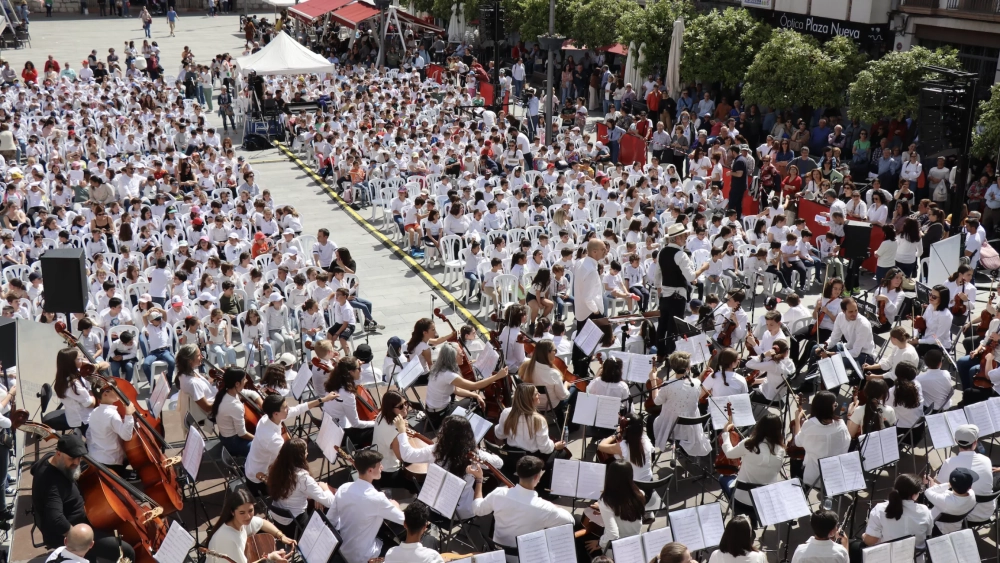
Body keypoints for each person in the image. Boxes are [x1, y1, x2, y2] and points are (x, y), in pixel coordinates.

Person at [31, 435, 138, 563]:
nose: (76, 463)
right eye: (72, 458)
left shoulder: (49, 458)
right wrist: (78, 539)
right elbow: (56, 519)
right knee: (126, 551)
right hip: (71, 533)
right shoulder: (52, 485)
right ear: (58, 453)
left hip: (84, 519)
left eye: (79, 458)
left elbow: (34, 469)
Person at [392, 414, 503, 520]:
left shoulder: (435, 450)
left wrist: (402, 431)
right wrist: (480, 453)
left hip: (435, 507)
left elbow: (407, 455)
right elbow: (499, 463)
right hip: (462, 512)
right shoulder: (474, 456)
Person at [245, 391, 337, 498]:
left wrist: (323, 399)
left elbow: (298, 409)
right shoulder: (273, 440)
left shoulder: (266, 418)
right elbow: (289, 463)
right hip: (259, 480)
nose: (288, 408)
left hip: (255, 467)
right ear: (276, 413)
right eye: (285, 407)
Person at [472, 455, 574, 548]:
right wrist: (553, 506)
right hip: (526, 557)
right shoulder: (545, 508)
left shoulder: (499, 493)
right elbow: (570, 521)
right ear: (536, 477)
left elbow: (477, 509)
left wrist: (479, 480)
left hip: (498, 550)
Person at [326, 449, 405, 563]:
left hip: (344, 551)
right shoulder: (378, 498)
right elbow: (404, 520)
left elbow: (330, 521)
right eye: (379, 465)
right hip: (364, 556)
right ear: (370, 470)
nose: (382, 467)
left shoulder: (343, 488)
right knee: (399, 551)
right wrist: (395, 505)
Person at [717, 413, 785, 526]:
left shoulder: (749, 443)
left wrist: (725, 434)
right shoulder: (781, 450)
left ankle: (739, 515)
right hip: (764, 501)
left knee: (723, 478)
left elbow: (729, 453)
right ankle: (752, 520)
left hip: (741, 500)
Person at [206, 487, 295, 563]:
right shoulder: (228, 539)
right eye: (242, 512)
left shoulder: (240, 522)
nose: (248, 516)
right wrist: (270, 557)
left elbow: (263, 523)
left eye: (250, 510)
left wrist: (281, 535)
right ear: (232, 512)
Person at [266, 438, 334, 535]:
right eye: (306, 451)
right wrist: (325, 487)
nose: (307, 453)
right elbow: (330, 502)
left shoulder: (278, 469)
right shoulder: (303, 478)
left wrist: (316, 495)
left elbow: (296, 491)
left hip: (278, 517)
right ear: (300, 456)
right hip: (295, 523)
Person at [582, 459, 645, 556]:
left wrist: (599, 543)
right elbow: (624, 508)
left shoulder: (606, 502)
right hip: (636, 543)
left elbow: (613, 534)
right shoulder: (640, 494)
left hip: (617, 549)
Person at [936, 424, 997, 524]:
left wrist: (929, 482)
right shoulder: (986, 460)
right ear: (975, 442)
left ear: (956, 441)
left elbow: (938, 488)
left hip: (963, 516)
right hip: (987, 512)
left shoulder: (949, 462)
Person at [791, 391, 850, 489]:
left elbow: (797, 442)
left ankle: (797, 489)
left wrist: (797, 420)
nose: (836, 406)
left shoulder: (809, 424)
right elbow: (846, 445)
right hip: (835, 473)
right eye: (835, 405)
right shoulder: (841, 424)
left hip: (815, 476)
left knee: (795, 458)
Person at [86, 380, 136, 477]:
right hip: (112, 461)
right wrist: (129, 415)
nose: (118, 391)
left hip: (97, 456)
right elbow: (126, 436)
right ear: (105, 394)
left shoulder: (95, 411)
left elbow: (89, 433)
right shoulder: (112, 414)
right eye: (115, 389)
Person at [323, 356, 376, 447]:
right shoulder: (347, 394)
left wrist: (356, 366)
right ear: (350, 372)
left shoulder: (333, 384)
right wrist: (376, 423)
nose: (361, 370)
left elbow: (357, 384)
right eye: (358, 368)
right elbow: (356, 423)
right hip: (340, 435)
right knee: (377, 430)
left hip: (330, 429)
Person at [54, 348, 105, 433]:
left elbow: (106, 364)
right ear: (70, 363)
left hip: (79, 416)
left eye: (81, 357)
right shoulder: (72, 384)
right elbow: (90, 404)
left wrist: (96, 366)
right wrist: (92, 391)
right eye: (78, 359)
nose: (81, 360)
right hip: (83, 420)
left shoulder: (71, 373)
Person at [211, 368, 257, 457]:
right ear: (237, 384)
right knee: (263, 448)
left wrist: (261, 403)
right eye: (244, 379)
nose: (246, 381)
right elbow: (242, 433)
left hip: (224, 436)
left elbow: (251, 393)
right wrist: (258, 439)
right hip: (233, 442)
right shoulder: (235, 406)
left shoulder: (226, 393)